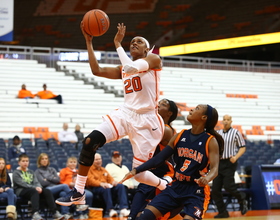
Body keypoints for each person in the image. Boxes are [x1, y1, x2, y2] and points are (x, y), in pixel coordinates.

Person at [56, 22, 166, 206]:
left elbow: (131, 68)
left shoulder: (154, 60)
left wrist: (117, 44)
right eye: (131, 42)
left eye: (139, 42)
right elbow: (96, 70)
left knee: (139, 174)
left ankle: (165, 185)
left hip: (147, 121)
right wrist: (89, 42)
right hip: (126, 114)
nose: (134, 43)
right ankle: (79, 192)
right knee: (89, 142)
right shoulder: (124, 68)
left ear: (147, 49)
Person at [120, 104, 224, 220]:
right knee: (144, 217)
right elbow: (159, 159)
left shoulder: (210, 141)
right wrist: (136, 170)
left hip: (196, 190)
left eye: (197, 109)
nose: (192, 109)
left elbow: (215, 169)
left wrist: (207, 178)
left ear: (204, 118)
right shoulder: (180, 136)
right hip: (176, 186)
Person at [128, 98, 178, 220]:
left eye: (163, 104)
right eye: (159, 102)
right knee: (137, 214)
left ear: (169, 113)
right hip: (151, 172)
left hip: (162, 173)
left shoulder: (166, 129)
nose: (158, 105)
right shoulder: (157, 126)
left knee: (141, 214)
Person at [212, 114, 248, 218]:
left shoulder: (236, 133)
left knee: (229, 186)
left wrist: (236, 157)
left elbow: (242, 147)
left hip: (229, 162)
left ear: (231, 121)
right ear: (222, 121)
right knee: (215, 190)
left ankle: (242, 199)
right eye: (224, 119)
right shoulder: (218, 133)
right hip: (219, 163)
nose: (226, 121)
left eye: (228, 120)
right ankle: (223, 212)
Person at [12, 154, 65, 220]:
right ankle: (35, 213)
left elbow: (36, 182)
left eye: (27, 161)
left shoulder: (31, 171)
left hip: (32, 189)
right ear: (19, 162)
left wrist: (39, 187)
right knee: (34, 191)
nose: (25, 163)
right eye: (23, 161)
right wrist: (35, 188)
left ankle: (54, 212)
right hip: (21, 190)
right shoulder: (16, 172)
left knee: (47, 191)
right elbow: (22, 184)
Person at [86, 153, 130, 217]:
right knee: (106, 188)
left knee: (120, 186)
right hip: (95, 188)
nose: (99, 161)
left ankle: (124, 208)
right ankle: (110, 210)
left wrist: (113, 182)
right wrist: (101, 184)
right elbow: (90, 181)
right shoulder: (89, 169)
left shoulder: (103, 169)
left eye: (99, 159)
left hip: (106, 186)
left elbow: (110, 179)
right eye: (96, 160)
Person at [34, 153, 76, 219]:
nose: (44, 160)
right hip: (47, 190)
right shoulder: (38, 171)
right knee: (64, 186)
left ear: (48, 160)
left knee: (63, 193)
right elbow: (42, 183)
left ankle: (65, 213)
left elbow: (57, 180)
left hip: (56, 188)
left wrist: (47, 178)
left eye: (46, 159)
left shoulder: (52, 169)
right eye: (42, 159)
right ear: (39, 161)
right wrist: (52, 178)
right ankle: (76, 203)